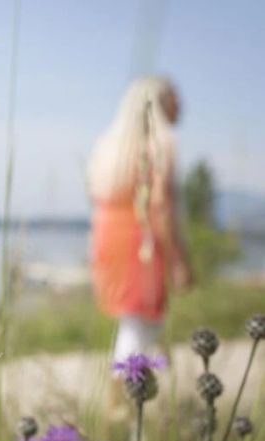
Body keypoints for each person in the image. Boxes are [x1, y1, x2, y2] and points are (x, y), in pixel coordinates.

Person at [87, 76, 193, 363]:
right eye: (175, 97)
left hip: (107, 235)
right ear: (159, 103)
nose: (182, 104)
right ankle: (127, 393)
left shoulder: (107, 146)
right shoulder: (160, 145)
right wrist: (178, 260)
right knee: (143, 323)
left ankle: (125, 391)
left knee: (131, 320)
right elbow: (160, 207)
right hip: (141, 241)